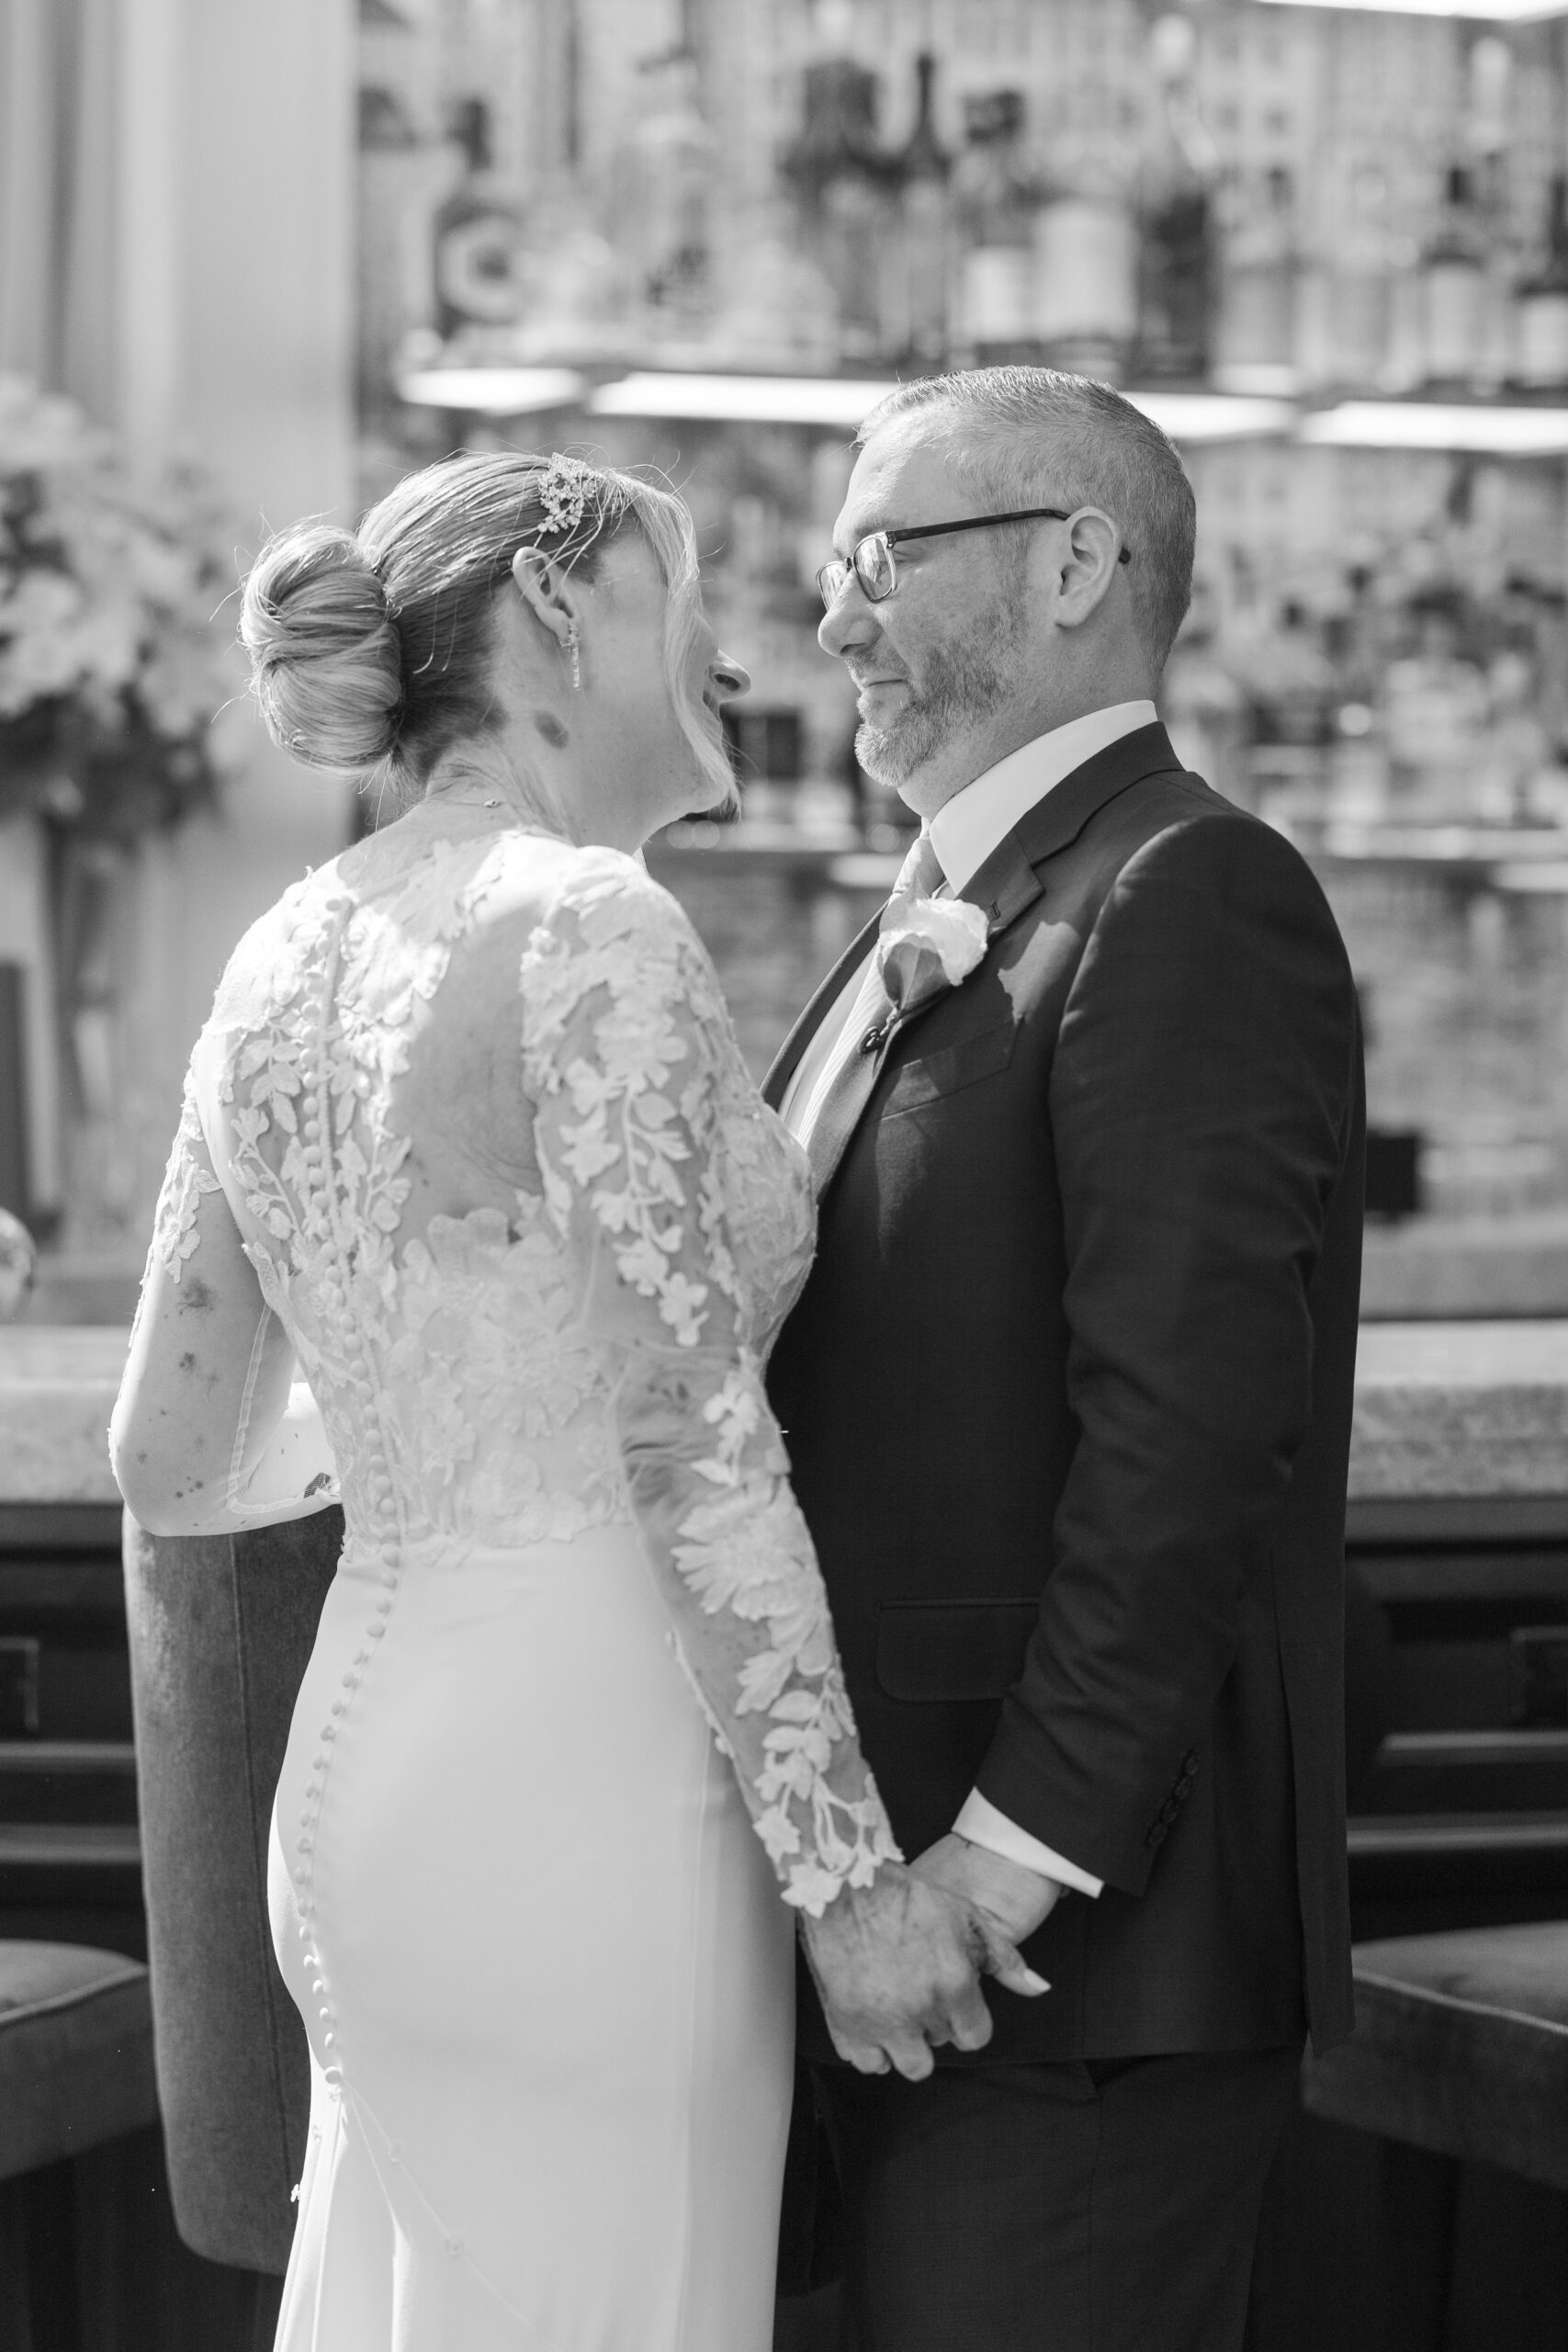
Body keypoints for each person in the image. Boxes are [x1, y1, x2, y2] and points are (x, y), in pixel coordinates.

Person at [109, 450, 1043, 2352]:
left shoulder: (280, 952)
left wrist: (431, 1428)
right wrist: (849, 1881)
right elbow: (688, 1436)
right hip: (594, 1792)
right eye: (681, 586)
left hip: (369, 1783)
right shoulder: (587, 926)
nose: (731, 640)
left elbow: (172, 1453)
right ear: (556, 598)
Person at [765, 368, 1366, 2352]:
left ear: (1074, 562)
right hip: (887, 1934)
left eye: (879, 555)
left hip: (1062, 1975)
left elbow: (1182, 1462)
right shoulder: (923, 921)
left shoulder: (1183, 891)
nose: (830, 613)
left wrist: (984, 1881)